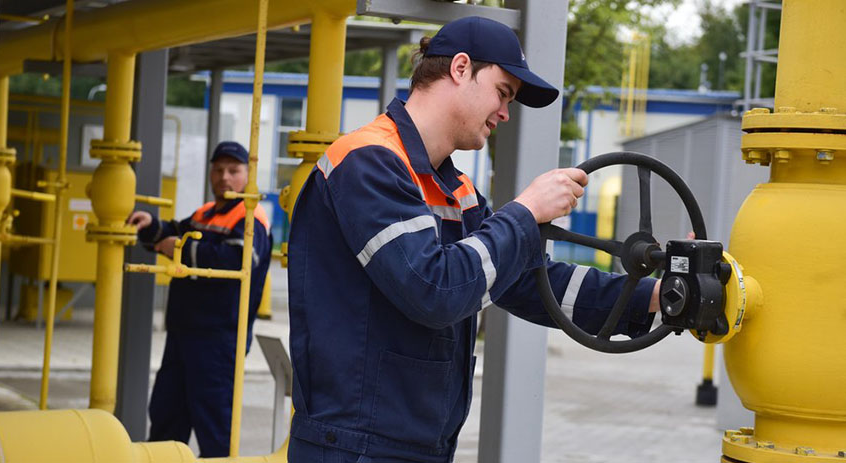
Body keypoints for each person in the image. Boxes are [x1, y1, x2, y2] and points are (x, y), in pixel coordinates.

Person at [287, 16, 660, 463]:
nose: (505, 113)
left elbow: (530, 282)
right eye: (503, 93)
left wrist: (654, 296)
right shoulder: (368, 162)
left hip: (414, 445)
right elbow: (434, 289)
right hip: (353, 447)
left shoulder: (455, 190)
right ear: (461, 68)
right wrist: (526, 211)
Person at [127, 141, 272, 457]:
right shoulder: (205, 213)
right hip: (184, 333)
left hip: (218, 340)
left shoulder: (251, 217)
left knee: (214, 429)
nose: (224, 177)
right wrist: (151, 226)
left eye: (233, 170)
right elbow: (175, 231)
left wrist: (178, 247)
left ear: (248, 175)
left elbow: (234, 261)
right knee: (166, 417)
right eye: (218, 170)